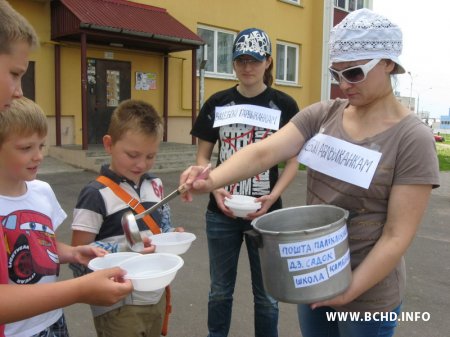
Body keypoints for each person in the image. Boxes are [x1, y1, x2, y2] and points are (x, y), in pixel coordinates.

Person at [181, 9, 440, 337]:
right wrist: (212, 178)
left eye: (355, 73)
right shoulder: (324, 115)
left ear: (388, 63)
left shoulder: (410, 138)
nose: (344, 85)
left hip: (368, 293)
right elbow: (264, 151)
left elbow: (396, 236)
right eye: (337, 74)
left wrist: (348, 290)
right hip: (312, 273)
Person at [0, 1, 132, 334]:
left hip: (52, 323)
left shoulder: (41, 191)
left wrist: (72, 253)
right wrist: (80, 289)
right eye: (15, 74)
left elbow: (37, 243)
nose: (17, 92)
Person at [191, 27, 300, 337]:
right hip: (221, 212)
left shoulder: (284, 105)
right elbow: (203, 157)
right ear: (234, 64)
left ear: (267, 62)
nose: (247, 67)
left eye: (254, 60)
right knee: (220, 291)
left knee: (267, 296)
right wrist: (215, 187)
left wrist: (273, 196)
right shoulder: (218, 103)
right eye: (240, 60)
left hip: (266, 215)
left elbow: (294, 160)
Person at [70, 99, 183, 337]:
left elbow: (161, 228)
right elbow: (78, 257)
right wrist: (127, 248)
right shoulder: (94, 194)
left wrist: (172, 237)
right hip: (117, 306)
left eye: (150, 156)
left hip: (156, 296)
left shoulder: (156, 185)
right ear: (109, 144)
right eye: (132, 155)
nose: (141, 164)